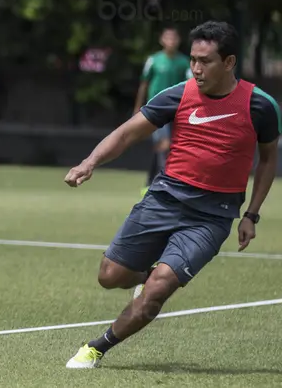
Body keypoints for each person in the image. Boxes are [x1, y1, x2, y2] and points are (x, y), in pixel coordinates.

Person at [64, 21, 280, 369]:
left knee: (158, 290)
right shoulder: (178, 94)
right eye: (193, 59)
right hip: (163, 199)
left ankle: (96, 347)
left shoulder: (260, 106)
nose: (196, 68)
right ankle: (147, 276)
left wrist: (251, 215)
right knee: (110, 276)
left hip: (212, 216)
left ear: (229, 62)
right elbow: (125, 134)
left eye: (205, 61)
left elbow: (269, 159)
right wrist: (90, 162)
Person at [133, 27, 193, 195]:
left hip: (177, 110)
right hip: (155, 109)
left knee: (165, 146)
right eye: (168, 38)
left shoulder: (183, 62)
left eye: (174, 38)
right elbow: (144, 83)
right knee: (164, 144)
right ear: (162, 40)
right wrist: (138, 107)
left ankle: (150, 182)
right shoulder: (153, 60)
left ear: (178, 41)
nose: (171, 41)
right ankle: (162, 184)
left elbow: (190, 86)